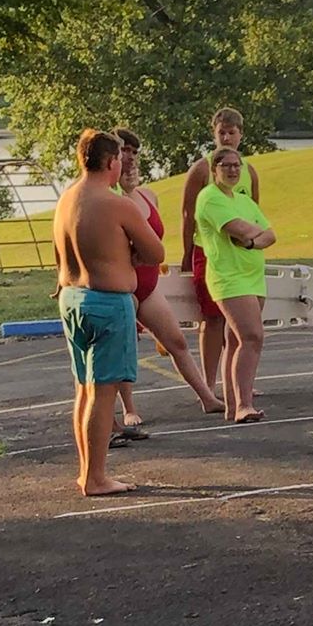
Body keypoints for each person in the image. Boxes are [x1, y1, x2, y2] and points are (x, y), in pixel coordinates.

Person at [52, 128, 164, 496]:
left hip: (71, 296)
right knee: (102, 393)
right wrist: (129, 252)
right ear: (111, 162)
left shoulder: (67, 199)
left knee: (83, 389)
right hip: (106, 302)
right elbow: (156, 252)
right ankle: (96, 477)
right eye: (121, 158)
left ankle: (87, 470)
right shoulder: (116, 203)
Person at [111, 127, 222, 432]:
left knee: (176, 341)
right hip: (123, 284)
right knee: (125, 347)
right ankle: (128, 407)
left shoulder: (148, 195)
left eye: (134, 152)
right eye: (123, 151)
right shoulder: (109, 199)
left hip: (147, 284)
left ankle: (207, 396)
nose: (130, 157)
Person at [193, 144, 275, 423]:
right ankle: (244, 403)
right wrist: (253, 235)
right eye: (225, 165)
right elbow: (238, 228)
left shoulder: (244, 200)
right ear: (214, 170)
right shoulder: (209, 197)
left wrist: (252, 241)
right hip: (229, 277)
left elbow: (269, 234)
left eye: (236, 165)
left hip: (252, 275)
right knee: (252, 336)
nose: (232, 170)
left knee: (235, 340)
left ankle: (232, 405)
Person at [181, 108, 260, 394]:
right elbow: (188, 214)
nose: (226, 138)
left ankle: (239, 383)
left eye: (232, 133)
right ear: (214, 134)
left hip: (240, 254)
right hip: (210, 252)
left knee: (242, 325)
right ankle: (209, 382)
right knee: (212, 318)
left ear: (241, 135)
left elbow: (255, 213)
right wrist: (187, 252)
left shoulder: (248, 170)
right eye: (221, 133)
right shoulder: (202, 169)